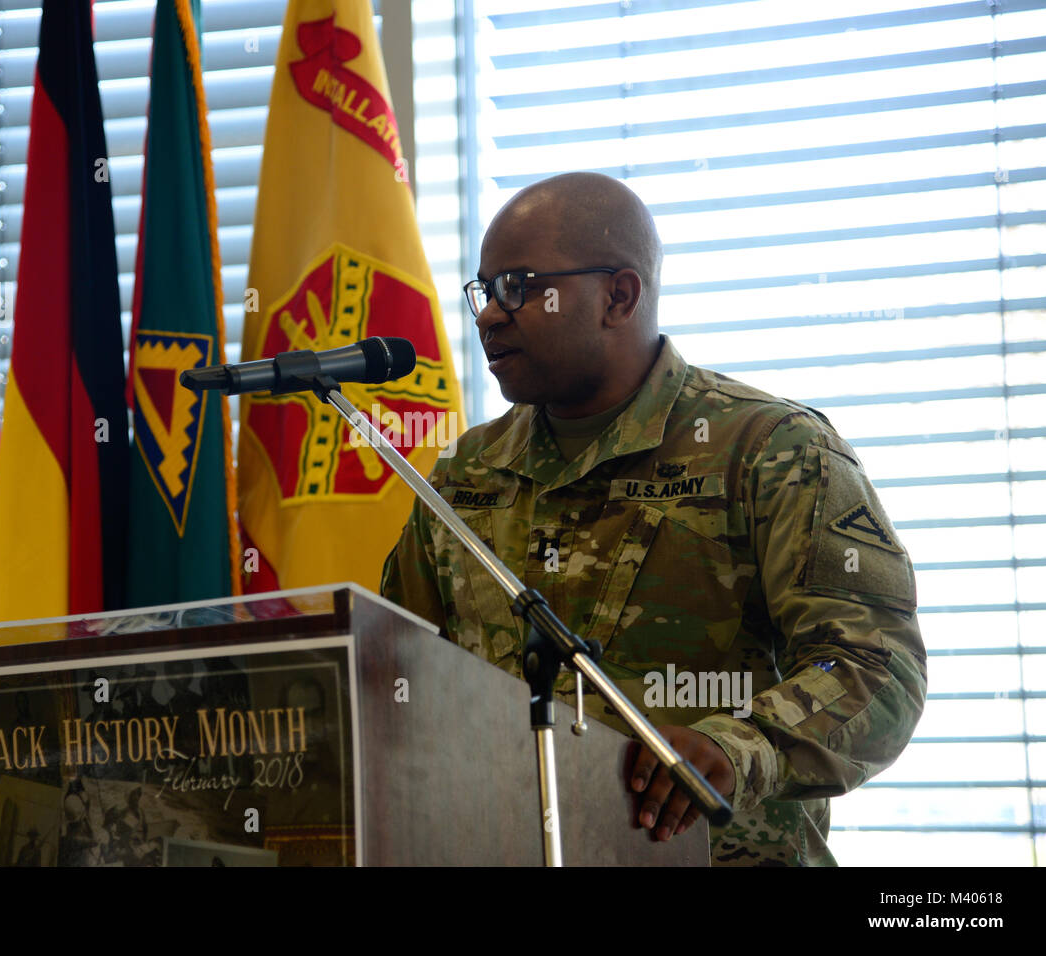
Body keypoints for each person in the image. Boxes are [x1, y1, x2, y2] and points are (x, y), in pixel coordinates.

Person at [380, 171, 927, 866]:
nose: (490, 314)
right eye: (485, 292)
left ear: (619, 295)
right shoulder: (466, 472)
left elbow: (876, 670)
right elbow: (394, 670)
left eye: (518, 286)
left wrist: (740, 747)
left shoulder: (770, 449)